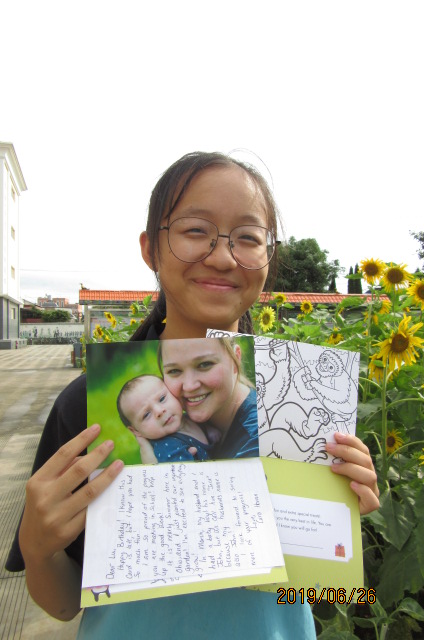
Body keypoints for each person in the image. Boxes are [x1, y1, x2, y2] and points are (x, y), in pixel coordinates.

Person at [9, 151, 380, 639]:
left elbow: (311, 595)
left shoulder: (305, 402)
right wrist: (38, 548)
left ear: (268, 256)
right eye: (195, 231)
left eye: (248, 238)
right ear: (150, 250)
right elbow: (61, 606)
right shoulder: (88, 406)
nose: (224, 256)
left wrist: (334, 534)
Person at [159, 337, 259, 458]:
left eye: (205, 364)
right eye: (174, 370)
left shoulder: (257, 438)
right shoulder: (173, 429)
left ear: (235, 360)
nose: (189, 386)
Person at [117, 373, 214, 462]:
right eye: (146, 415)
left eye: (162, 399)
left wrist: (210, 431)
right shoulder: (168, 448)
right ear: (135, 431)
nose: (159, 411)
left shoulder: (189, 417)